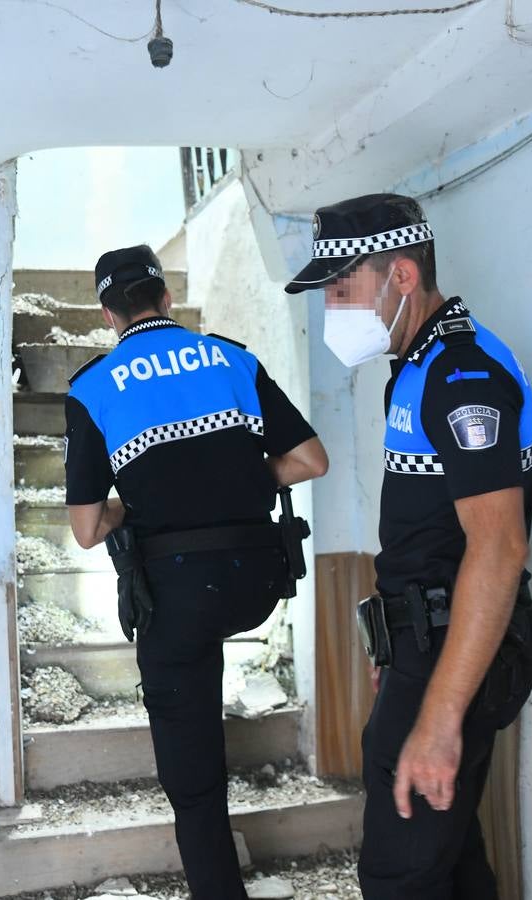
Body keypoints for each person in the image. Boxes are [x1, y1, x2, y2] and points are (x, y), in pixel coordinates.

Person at [284, 194, 532, 899]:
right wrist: (394, 643)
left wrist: (438, 716)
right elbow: (426, 535)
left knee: (400, 876)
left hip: (448, 657)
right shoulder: (418, 363)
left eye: (342, 288)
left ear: (401, 276)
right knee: (450, 860)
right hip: (422, 646)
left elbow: (498, 549)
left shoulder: (463, 375)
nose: (333, 306)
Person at [63, 244, 329, 899]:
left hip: (175, 594)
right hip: (254, 582)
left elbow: (87, 529)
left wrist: (144, 502)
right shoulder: (234, 358)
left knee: (191, 763)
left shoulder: (93, 386)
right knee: (205, 626)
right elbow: (310, 459)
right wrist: (239, 484)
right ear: (166, 298)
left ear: (107, 315)